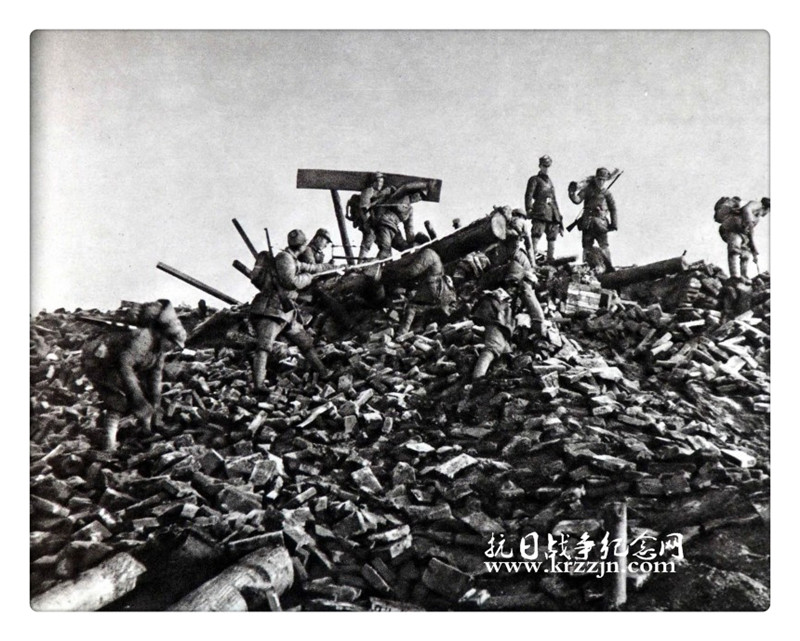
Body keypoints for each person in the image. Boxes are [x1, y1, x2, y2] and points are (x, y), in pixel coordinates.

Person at [82, 300, 187, 451]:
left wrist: (156, 404)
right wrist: (139, 401)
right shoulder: (144, 338)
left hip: (114, 364)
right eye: (173, 344)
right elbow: (125, 366)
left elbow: (155, 376)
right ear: (165, 336)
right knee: (119, 400)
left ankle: (145, 431)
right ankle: (109, 443)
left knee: (141, 397)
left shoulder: (160, 350)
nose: (173, 348)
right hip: (98, 361)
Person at [249, 229, 336, 391]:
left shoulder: (291, 258)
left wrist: (330, 267)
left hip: (286, 311)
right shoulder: (284, 258)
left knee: (305, 342)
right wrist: (309, 278)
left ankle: (324, 373)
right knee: (264, 346)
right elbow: (291, 282)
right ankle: (259, 385)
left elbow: (310, 267)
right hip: (271, 309)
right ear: (301, 246)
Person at [493, 217, 547, 337]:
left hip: (520, 275)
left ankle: (527, 321)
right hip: (518, 273)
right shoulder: (515, 251)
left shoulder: (516, 254)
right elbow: (528, 245)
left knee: (519, 292)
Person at [394, 246, 457, 335]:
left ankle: (402, 332)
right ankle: (414, 328)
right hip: (441, 294)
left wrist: (394, 275)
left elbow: (412, 271)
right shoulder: (436, 259)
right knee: (420, 308)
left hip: (435, 289)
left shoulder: (429, 253)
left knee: (412, 306)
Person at [569, 167, 618, 271]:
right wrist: (572, 193)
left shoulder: (607, 193)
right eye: (599, 179)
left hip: (601, 225)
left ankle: (609, 268)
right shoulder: (587, 190)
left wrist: (614, 224)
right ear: (595, 179)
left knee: (604, 247)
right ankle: (586, 268)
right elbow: (577, 200)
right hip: (587, 224)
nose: (601, 182)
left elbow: (613, 209)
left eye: (603, 180)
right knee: (586, 247)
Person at [372, 180, 432, 259]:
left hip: (394, 228)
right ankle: (374, 265)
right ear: (414, 192)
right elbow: (405, 187)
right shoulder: (401, 196)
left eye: (422, 197)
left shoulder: (410, 210)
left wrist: (412, 243)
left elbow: (409, 228)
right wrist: (425, 184)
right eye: (419, 194)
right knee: (385, 250)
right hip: (383, 223)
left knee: (406, 249)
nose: (419, 198)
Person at [717, 197, 770, 280]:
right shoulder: (757, 204)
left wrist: (753, 249)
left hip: (741, 232)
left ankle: (744, 276)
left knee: (746, 254)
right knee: (734, 250)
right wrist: (749, 223)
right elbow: (746, 209)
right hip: (731, 228)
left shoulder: (757, 218)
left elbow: (750, 232)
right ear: (767, 208)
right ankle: (734, 276)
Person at [525, 155, 563, 263]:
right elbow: (529, 195)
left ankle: (550, 260)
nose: (546, 168)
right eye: (544, 166)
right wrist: (529, 209)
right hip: (540, 212)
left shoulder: (550, 182)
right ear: (540, 166)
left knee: (552, 236)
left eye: (548, 166)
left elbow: (554, 199)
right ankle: (531, 259)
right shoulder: (534, 179)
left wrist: (558, 217)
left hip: (551, 213)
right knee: (536, 234)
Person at [352, 172, 392, 261]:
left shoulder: (378, 193)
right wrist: (367, 222)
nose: (380, 184)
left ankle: (384, 260)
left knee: (383, 241)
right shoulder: (368, 191)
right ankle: (360, 262)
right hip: (367, 220)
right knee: (369, 238)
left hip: (374, 221)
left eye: (381, 182)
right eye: (378, 182)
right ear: (373, 182)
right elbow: (363, 208)